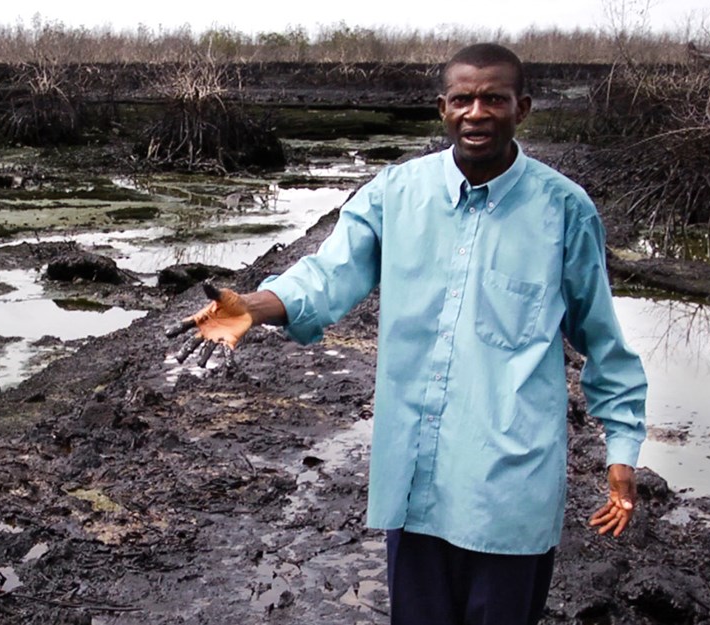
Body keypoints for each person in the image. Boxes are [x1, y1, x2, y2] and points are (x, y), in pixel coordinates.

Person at [171, 43, 648, 625]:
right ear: (443, 108)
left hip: (509, 487)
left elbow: (603, 340)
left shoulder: (564, 211)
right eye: (463, 99)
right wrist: (253, 305)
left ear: (522, 108)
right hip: (416, 481)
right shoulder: (394, 194)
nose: (477, 112)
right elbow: (327, 275)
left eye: (493, 99)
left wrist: (621, 454)